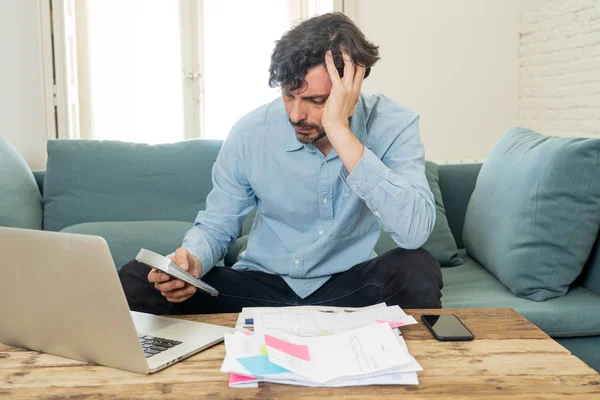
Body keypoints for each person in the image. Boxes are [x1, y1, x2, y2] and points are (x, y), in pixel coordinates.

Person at [119, 12, 443, 315]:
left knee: (417, 269)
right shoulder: (251, 133)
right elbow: (218, 225)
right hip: (262, 288)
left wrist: (340, 131)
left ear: (352, 91)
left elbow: (412, 233)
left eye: (315, 101)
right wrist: (192, 263)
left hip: (351, 286)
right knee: (136, 278)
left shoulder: (393, 125)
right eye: (289, 95)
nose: (295, 115)